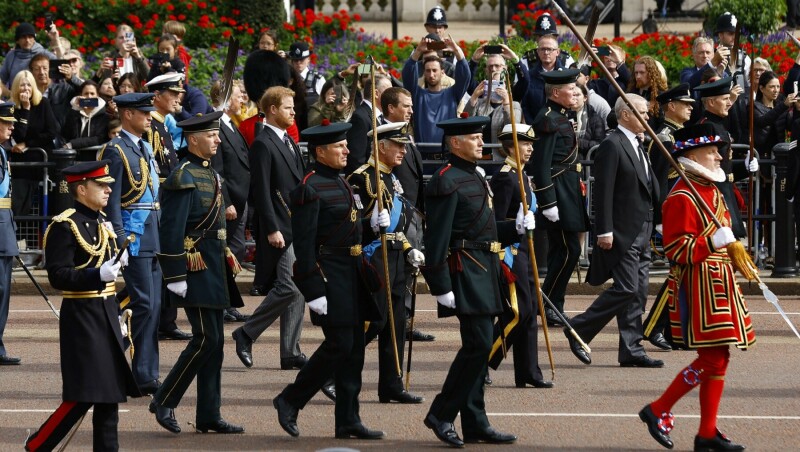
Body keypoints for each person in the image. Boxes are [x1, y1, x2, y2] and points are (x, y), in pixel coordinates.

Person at [639, 123, 754, 452]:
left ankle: (706, 433)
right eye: (712, 151)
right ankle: (658, 409)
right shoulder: (681, 195)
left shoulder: (711, 189)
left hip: (720, 283)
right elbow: (675, 251)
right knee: (712, 360)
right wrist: (711, 242)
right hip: (699, 286)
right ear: (691, 155)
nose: (719, 156)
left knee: (719, 357)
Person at [420, 114, 530, 447]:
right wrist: (440, 286)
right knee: (479, 344)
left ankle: (475, 421)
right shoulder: (444, 180)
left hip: (486, 267)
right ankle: (441, 413)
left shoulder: (476, 176)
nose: (482, 142)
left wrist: (515, 228)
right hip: (465, 269)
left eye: (481, 137)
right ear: (455, 143)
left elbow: (485, 227)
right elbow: (435, 239)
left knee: (481, 349)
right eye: (474, 138)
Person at [272, 121, 385, 440]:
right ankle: (290, 399)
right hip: (329, 274)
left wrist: (372, 225)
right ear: (320, 152)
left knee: (354, 351)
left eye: (346, 145)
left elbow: (347, 224)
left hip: (352, 272)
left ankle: (348, 418)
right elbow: (305, 244)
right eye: (340, 146)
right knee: (340, 344)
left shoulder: (341, 182)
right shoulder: (309, 187)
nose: (347, 150)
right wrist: (312, 288)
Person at [25, 160, 139, 451]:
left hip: (107, 314)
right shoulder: (66, 225)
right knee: (83, 395)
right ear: (81, 188)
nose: (108, 189)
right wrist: (96, 275)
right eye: (101, 185)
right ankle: (38, 445)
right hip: (83, 317)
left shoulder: (102, 221)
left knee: (109, 396)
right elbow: (57, 275)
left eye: (108, 185)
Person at [148, 111, 245, 435]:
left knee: (215, 344)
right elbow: (172, 230)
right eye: (212, 135)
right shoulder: (182, 176)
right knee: (207, 339)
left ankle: (208, 414)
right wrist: (174, 274)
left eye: (217, 134)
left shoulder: (212, 176)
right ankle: (165, 398)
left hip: (214, 267)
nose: (218, 140)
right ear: (193, 140)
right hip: (194, 269)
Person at [564, 95, 664, 368]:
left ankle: (631, 348)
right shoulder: (612, 144)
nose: (647, 117)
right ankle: (579, 327)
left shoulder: (638, 143)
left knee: (639, 290)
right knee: (627, 288)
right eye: (642, 112)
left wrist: (658, 220)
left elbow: (647, 184)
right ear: (625, 115)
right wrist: (604, 230)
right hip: (622, 230)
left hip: (643, 227)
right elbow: (603, 191)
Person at [231, 86, 312, 375]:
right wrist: (271, 228)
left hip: (295, 224)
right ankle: (247, 333)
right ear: (273, 110)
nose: (294, 111)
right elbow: (261, 190)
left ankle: (290, 352)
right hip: (280, 226)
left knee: (298, 287)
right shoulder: (263, 143)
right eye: (288, 107)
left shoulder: (287, 141)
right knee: (289, 285)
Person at [348, 121, 426, 404]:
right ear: (381, 147)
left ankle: (391, 384)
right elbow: (353, 223)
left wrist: (407, 249)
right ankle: (334, 372)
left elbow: (397, 222)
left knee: (396, 322)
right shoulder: (362, 178)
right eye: (398, 145)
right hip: (373, 256)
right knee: (375, 321)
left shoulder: (391, 179)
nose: (404, 151)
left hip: (393, 254)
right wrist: (371, 225)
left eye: (405, 146)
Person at [97, 92, 163, 395]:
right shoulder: (115, 150)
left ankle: (146, 372)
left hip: (152, 233)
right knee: (143, 305)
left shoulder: (144, 147)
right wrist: (119, 240)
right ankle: (140, 373)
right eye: (143, 112)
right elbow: (110, 201)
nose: (149, 117)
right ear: (127, 115)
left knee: (154, 306)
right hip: (133, 237)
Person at [487, 123, 552, 389]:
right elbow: (496, 221)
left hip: (526, 250)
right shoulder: (505, 176)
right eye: (526, 144)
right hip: (510, 253)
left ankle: (528, 371)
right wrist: (516, 226)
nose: (530, 149)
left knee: (529, 313)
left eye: (531, 144)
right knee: (518, 312)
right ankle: (482, 361)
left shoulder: (522, 175)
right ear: (511, 146)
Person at [530, 68, 590, 326]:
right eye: (570, 88)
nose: (575, 91)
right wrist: (548, 201)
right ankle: (549, 303)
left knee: (563, 251)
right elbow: (541, 165)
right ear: (555, 93)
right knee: (569, 250)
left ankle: (554, 304)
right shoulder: (548, 120)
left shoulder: (560, 117)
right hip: (558, 193)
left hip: (569, 189)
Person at [643, 84, 696, 350]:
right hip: (671, 213)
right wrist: (662, 217)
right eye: (685, 104)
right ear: (671, 106)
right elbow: (658, 181)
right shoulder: (664, 137)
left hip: (681, 211)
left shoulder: (677, 135)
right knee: (678, 273)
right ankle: (653, 326)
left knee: (683, 273)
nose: (690, 108)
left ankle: (675, 331)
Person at [380, 87, 435, 342]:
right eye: (406, 106)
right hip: (396, 213)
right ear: (391, 108)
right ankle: (393, 321)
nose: (411, 110)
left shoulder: (406, 135)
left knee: (411, 270)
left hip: (413, 212)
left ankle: (406, 322)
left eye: (412, 106)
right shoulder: (382, 135)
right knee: (398, 270)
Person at [694, 76, 756, 240]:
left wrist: (744, 166)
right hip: (713, 192)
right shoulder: (706, 127)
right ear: (711, 102)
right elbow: (707, 167)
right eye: (725, 99)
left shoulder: (719, 125)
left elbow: (724, 166)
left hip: (725, 189)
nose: (730, 103)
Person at [401, 35, 469, 148]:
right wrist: (418, 51)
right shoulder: (418, 95)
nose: (431, 74)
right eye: (428, 71)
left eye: (434, 70)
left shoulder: (452, 94)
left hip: (446, 155)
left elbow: (465, 76)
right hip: (423, 156)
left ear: (442, 72)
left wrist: (457, 50)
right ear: (424, 72)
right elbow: (407, 75)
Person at [8, 69, 58, 217]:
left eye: (29, 85)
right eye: (22, 85)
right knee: (20, 206)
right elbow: (18, 135)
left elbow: (51, 132)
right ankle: (20, 239)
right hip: (21, 165)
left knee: (43, 206)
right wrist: (25, 110)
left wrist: (27, 144)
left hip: (41, 161)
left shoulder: (43, 103)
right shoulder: (12, 107)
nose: (26, 89)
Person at [0, 103, 20, 365]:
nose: (12, 126)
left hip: (4, 228)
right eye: (6, 122)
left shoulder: (3, 153)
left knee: (3, 290)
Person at [345, 74, 392, 176]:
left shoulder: (379, 116)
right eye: (389, 91)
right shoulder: (360, 117)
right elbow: (356, 159)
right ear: (376, 93)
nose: (393, 96)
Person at [0, 23, 56, 91]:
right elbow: (1, 80)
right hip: (15, 99)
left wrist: (56, 41)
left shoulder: (43, 53)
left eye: (30, 37)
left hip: (40, 99)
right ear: (17, 40)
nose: (27, 40)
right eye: (23, 37)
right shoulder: (11, 56)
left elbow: (62, 65)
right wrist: (10, 95)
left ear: (34, 38)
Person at [61, 80, 111, 150]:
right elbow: (67, 134)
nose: (89, 96)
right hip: (76, 157)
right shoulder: (74, 113)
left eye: (92, 93)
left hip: (95, 157)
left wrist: (73, 144)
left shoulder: (104, 117)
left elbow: (99, 138)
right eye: (86, 93)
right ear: (81, 95)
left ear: (98, 96)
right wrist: (75, 108)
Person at [288, 41, 325, 107]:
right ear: (291, 61)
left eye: (302, 59)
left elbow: (325, 102)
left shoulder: (318, 79)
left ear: (308, 60)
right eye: (296, 60)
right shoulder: (287, 79)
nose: (299, 62)